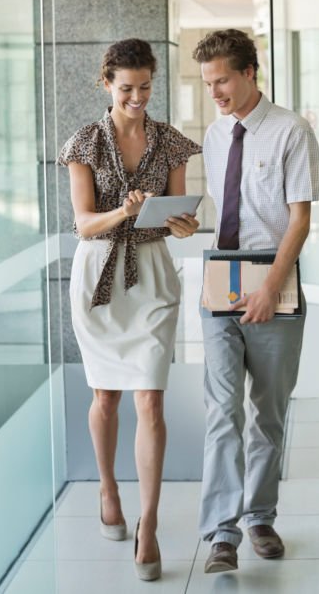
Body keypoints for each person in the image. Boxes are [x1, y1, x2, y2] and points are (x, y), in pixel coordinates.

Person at [57, 38, 201, 581]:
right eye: (126, 88)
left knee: (149, 401)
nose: (136, 97)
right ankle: (108, 488)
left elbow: (176, 217)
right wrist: (123, 209)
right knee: (106, 397)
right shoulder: (85, 143)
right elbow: (84, 223)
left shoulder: (170, 142)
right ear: (106, 84)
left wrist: (182, 224)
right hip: (100, 278)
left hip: (153, 277)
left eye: (144, 87)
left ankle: (150, 523)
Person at [194, 29, 319, 573]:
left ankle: (260, 517)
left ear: (250, 72)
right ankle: (222, 532)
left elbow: (301, 217)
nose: (215, 92)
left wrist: (271, 285)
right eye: (208, 83)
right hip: (221, 283)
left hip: (276, 284)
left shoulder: (291, 130)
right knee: (222, 410)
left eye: (222, 79)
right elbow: (222, 208)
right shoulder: (215, 132)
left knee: (267, 412)